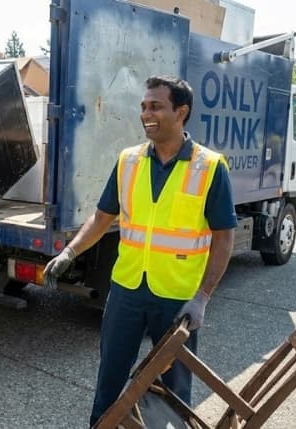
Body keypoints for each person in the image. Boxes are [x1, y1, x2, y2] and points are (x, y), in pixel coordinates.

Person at [42, 75, 237, 426]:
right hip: (127, 290)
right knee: (111, 378)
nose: (146, 113)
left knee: (174, 386)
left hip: (178, 296)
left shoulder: (209, 167)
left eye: (156, 106)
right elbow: (102, 218)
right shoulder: (128, 161)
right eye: (144, 106)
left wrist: (203, 296)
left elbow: (224, 238)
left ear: (181, 112)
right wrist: (69, 252)